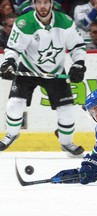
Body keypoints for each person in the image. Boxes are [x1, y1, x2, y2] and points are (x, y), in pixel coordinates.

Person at [0, 0, 87, 157]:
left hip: (56, 70)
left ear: (51, 4)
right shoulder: (23, 23)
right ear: (34, 3)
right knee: (14, 103)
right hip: (28, 68)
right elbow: (13, 48)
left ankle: (66, 143)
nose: (42, 6)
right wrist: (9, 62)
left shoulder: (65, 22)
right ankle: (11, 134)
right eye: (39, 2)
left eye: (46, 2)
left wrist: (79, 64)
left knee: (67, 110)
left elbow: (77, 46)